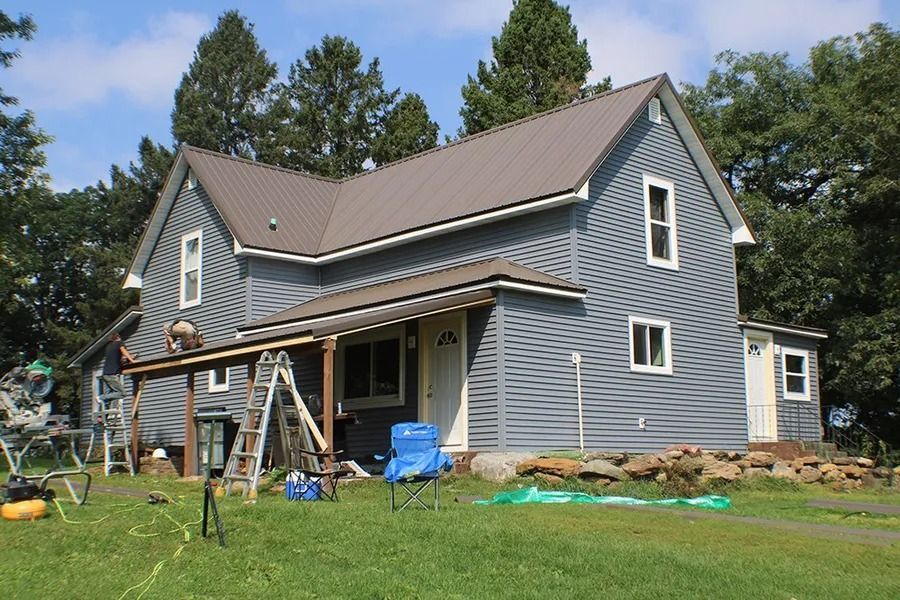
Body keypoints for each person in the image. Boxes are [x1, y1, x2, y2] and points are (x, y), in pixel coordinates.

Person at [101, 332, 135, 398]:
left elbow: (116, 359)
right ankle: (101, 398)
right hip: (111, 375)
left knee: (111, 394)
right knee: (122, 393)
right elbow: (123, 351)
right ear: (118, 337)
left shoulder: (108, 347)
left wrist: (128, 359)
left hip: (105, 374)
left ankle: (102, 402)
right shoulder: (119, 343)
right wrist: (132, 360)